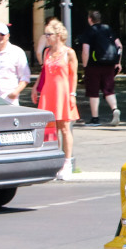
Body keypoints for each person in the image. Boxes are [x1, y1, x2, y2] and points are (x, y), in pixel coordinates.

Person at [38, 19, 79, 180]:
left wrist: (72, 94)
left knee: (64, 127)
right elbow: (44, 73)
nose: (47, 37)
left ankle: (67, 163)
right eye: (45, 34)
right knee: (51, 129)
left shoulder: (69, 52)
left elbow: (74, 74)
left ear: (58, 35)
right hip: (49, 92)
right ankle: (55, 162)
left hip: (63, 92)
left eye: (49, 34)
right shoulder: (47, 52)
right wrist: (37, 88)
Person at [79, 10, 122, 126]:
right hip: (109, 65)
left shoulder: (89, 31)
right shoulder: (108, 29)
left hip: (93, 66)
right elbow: (119, 46)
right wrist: (118, 62)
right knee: (109, 90)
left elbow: (85, 51)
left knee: (93, 92)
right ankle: (115, 109)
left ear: (90, 19)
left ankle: (95, 118)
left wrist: (85, 65)